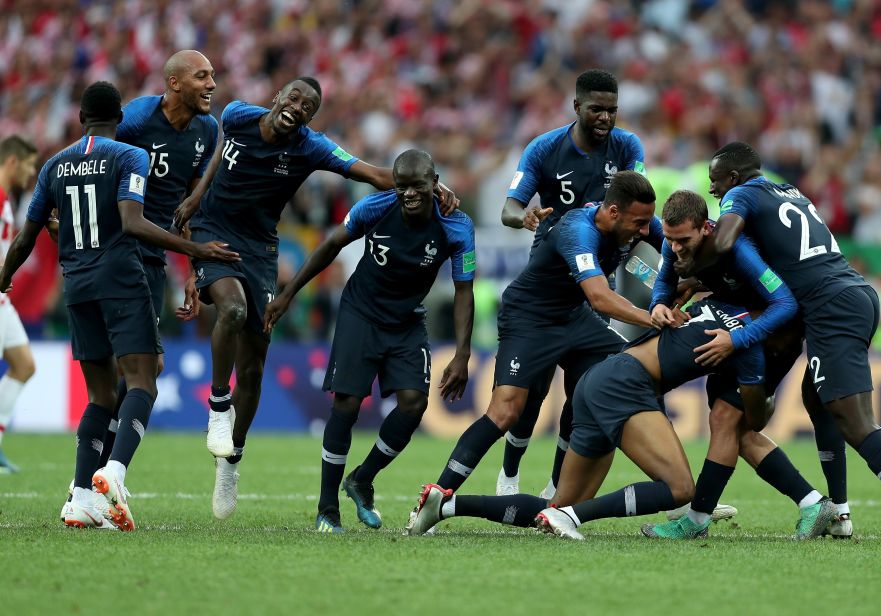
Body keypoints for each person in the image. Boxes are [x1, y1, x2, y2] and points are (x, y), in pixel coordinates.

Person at [173, 76, 458, 520]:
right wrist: (196, 196)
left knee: (254, 366)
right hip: (214, 233)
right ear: (277, 98)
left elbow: (372, 173)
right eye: (294, 97)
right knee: (231, 308)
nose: (298, 107)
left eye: (309, 106)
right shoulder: (236, 114)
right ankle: (216, 406)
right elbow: (219, 153)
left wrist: (425, 186)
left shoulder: (312, 147)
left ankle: (233, 458)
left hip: (262, 248)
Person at [0, 81, 238, 530]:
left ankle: (80, 497)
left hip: (78, 285)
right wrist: (198, 252)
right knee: (143, 380)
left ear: (79, 119)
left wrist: (2, 279)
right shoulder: (131, 155)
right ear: (121, 119)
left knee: (101, 394)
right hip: (122, 279)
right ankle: (113, 472)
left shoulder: (54, 164)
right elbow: (132, 221)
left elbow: (26, 237)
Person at [701, 141, 881, 544]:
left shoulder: (741, 194)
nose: (713, 191)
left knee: (854, 420)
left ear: (732, 178)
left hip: (831, 304)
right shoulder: (790, 191)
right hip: (854, 293)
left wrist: (691, 267)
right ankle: (839, 512)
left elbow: (723, 242)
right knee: (816, 399)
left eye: (715, 182)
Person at [406, 296, 770, 540]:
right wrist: (761, 400)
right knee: (679, 488)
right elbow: (754, 420)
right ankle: (576, 518)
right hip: (625, 384)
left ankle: (446, 505)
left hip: (599, 379)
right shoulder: (747, 338)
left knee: (556, 506)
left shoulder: (710, 302)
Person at [417, 170, 661, 508]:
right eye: (639, 223)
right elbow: (600, 297)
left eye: (649, 222)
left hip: (575, 318)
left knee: (621, 373)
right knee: (506, 412)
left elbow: (678, 252)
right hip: (529, 317)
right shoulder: (578, 230)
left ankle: (558, 498)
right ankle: (436, 496)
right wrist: (654, 319)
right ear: (613, 212)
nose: (646, 231)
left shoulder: (641, 219)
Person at [264, 149, 475, 533]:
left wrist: (462, 353)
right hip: (361, 312)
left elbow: (464, 290)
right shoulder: (375, 207)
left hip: (407, 321)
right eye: (401, 186)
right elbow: (330, 246)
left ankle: (362, 478)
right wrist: (288, 293)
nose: (409, 194)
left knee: (413, 405)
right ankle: (327, 507)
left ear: (434, 184)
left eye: (418, 186)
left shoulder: (456, 226)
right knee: (346, 403)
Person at [642, 190, 836, 540]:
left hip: (772, 339)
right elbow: (664, 280)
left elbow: (785, 304)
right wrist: (658, 304)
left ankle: (697, 521)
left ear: (705, 229)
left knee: (725, 420)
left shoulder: (737, 248)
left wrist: (738, 339)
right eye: (669, 240)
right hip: (732, 332)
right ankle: (813, 503)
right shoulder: (677, 245)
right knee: (738, 433)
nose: (675, 249)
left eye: (683, 240)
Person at [497, 69, 645, 499]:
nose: (605, 118)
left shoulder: (628, 147)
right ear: (577, 106)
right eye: (597, 109)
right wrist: (522, 217)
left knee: (583, 392)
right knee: (534, 392)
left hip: (598, 279)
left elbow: (634, 204)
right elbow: (510, 206)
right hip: (551, 280)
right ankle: (509, 474)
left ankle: (556, 485)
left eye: (612, 110)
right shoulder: (545, 148)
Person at [95, 49, 219, 470]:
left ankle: (96, 471)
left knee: (142, 368)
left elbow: (185, 207)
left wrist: (191, 273)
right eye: (201, 76)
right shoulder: (136, 119)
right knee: (142, 370)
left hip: (155, 256)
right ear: (174, 83)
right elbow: (92, 157)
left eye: (213, 76)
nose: (211, 84)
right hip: (120, 247)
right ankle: (108, 472)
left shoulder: (207, 130)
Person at [0, 136, 39, 473]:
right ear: (12, 162)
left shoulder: (6, 199)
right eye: (28, 164)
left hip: (3, 299)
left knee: (24, 364)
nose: (31, 173)